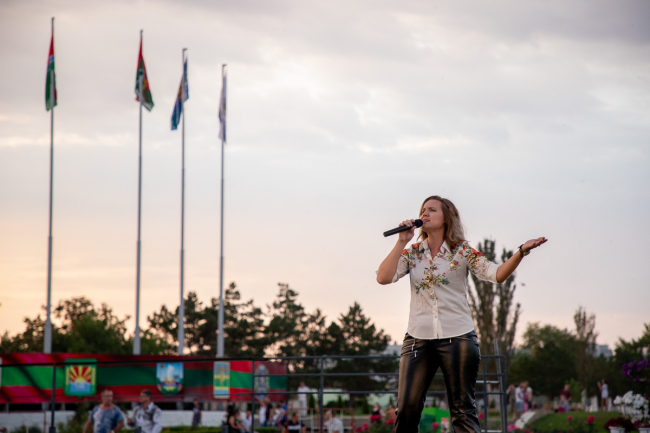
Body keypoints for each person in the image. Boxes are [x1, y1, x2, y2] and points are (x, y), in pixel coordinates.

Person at [376, 195, 547, 433]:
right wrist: (401, 241)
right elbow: (383, 277)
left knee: (462, 411)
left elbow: (497, 274)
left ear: (447, 218)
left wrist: (521, 252)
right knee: (406, 409)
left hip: (458, 337)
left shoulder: (463, 251)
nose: (425, 213)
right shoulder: (412, 253)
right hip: (417, 338)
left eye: (432, 210)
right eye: (423, 210)